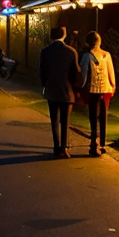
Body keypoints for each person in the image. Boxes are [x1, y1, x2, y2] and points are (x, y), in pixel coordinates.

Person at [38, 26, 81, 158]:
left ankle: (56, 147)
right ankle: (64, 148)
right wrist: (76, 87)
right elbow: (76, 73)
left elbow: (41, 72)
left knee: (54, 120)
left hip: (51, 90)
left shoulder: (45, 51)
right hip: (67, 91)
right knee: (65, 121)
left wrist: (46, 84)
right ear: (64, 35)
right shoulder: (71, 51)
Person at [79, 31, 116, 156]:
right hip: (105, 89)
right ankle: (102, 144)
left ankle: (94, 144)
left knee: (93, 117)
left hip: (93, 90)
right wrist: (113, 86)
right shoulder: (106, 55)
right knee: (104, 117)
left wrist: (81, 86)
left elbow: (84, 76)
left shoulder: (86, 56)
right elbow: (111, 73)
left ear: (88, 43)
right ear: (99, 42)